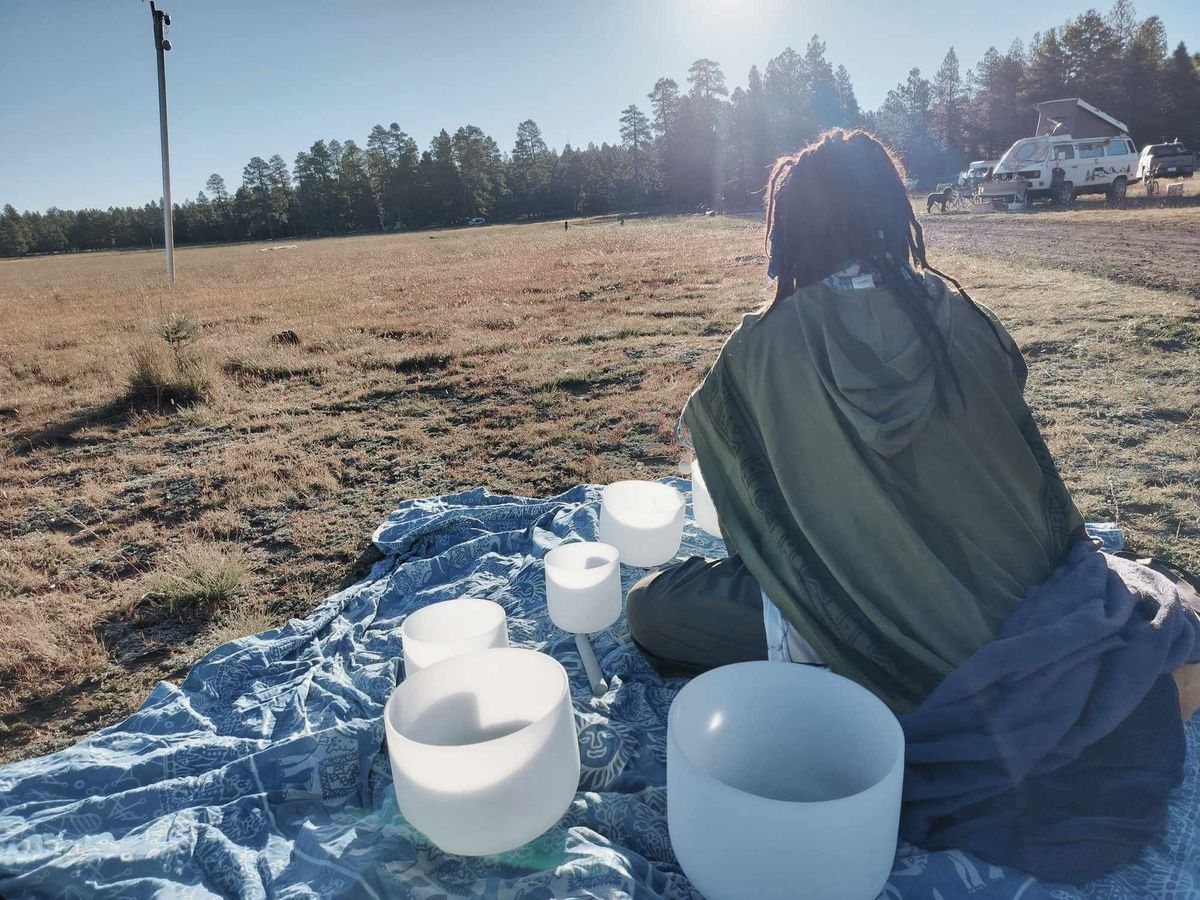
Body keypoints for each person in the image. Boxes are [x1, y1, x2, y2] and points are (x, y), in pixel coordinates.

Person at [625, 128, 1200, 881]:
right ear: (892, 213)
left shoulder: (758, 354)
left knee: (650, 608)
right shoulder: (962, 314)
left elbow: (749, 528)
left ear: (788, 229)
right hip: (1038, 611)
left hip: (881, 648)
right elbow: (1017, 458)